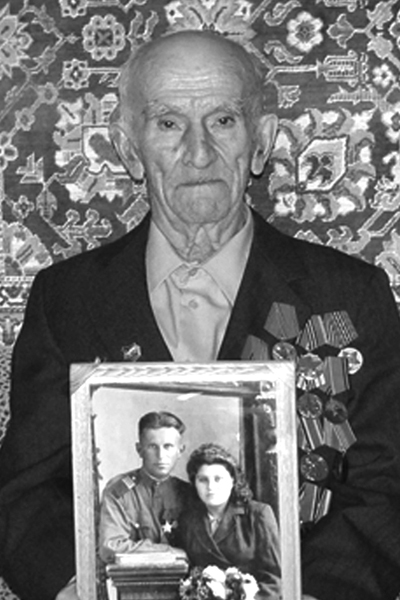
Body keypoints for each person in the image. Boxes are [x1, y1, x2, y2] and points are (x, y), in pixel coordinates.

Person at [0, 27, 399, 600]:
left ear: (260, 142)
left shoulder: (352, 296)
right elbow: (27, 491)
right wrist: (76, 588)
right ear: (128, 149)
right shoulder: (66, 300)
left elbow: (385, 485)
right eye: (168, 123)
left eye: (223, 120)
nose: (198, 151)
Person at [178, 443, 281, 600]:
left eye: (218, 479)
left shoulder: (257, 515)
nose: (211, 487)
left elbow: (275, 578)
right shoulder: (189, 520)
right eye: (203, 480)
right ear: (194, 483)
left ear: (233, 480)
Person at [99, 410, 190, 562]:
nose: (161, 456)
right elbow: (111, 547)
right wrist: (169, 552)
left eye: (168, 446)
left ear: (180, 451)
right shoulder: (118, 491)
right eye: (153, 447)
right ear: (139, 450)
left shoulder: (189, 493)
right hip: (133, 576)